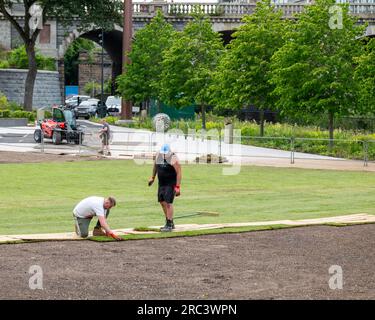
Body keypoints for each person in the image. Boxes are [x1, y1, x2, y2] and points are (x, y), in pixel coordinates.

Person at [148, 144, 182, 232]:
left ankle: (169, 224)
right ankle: (169, 220)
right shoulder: (159, 155)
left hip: (170, 183)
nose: (164, 155)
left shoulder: (173, 158)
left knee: (168, 203)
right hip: (161, 183)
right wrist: (152, 177)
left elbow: (179, 173)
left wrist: (177, 187)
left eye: (165, 154)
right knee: (162, 202)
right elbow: (155, 166)